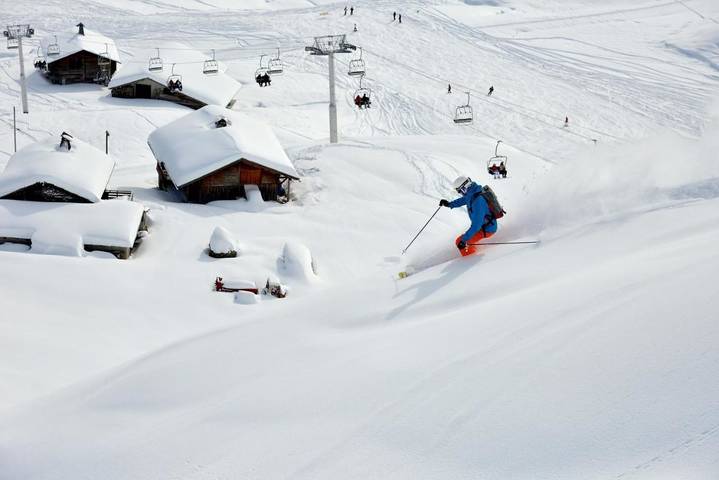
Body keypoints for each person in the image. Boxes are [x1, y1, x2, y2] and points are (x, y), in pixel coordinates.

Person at [439, 176, 498, 256]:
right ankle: (471, 250)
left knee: (459, 241)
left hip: (487, 229)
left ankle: (470, 259)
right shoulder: (472, 193)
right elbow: (463, 200)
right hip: (484, 225)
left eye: (460, 191)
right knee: (463, 240)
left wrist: (464, 240)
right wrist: (449, 204)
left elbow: (476, 225)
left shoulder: (478, 201)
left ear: (465, 187)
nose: (460, 193)